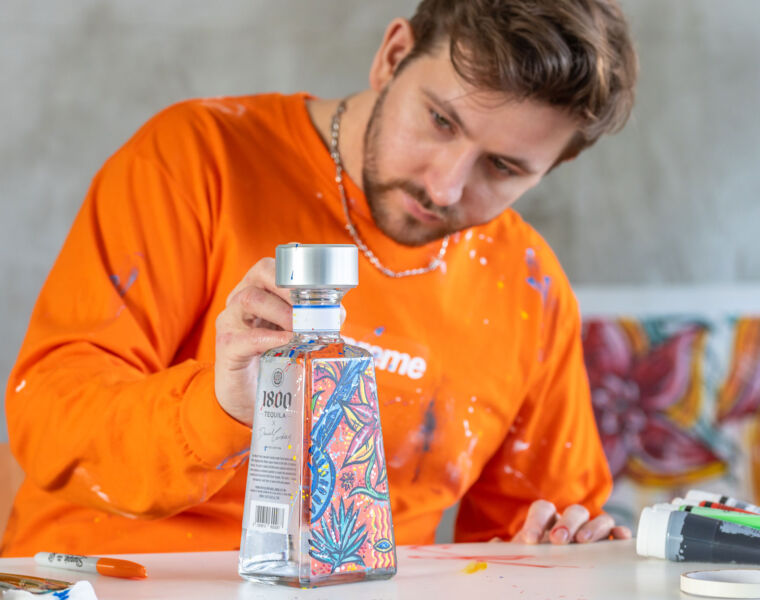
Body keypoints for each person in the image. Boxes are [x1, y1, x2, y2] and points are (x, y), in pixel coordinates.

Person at [2, 0, 638, 556]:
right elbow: (48, 419)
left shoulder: (529, 287)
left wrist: (556, 552)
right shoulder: (195, 160)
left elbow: (530, 534)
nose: (444, 186)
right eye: (441, 121)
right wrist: (218, 409)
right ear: (393, 56)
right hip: (108, 578)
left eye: (502, 167)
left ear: (550, 168)